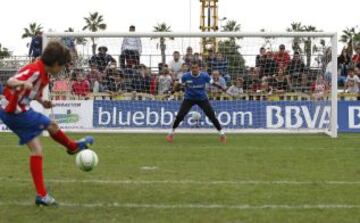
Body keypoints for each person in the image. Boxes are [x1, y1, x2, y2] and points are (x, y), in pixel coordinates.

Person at [0, 41, 94, 206]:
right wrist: (22, 83)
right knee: (51, 125)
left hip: (15, 110)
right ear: (56, 64)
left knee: (37, 149)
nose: (62, 69)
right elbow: (10, 82)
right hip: (15, 111)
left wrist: (42, 101)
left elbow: (32, 92)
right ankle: (72, 147)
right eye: (62, 66)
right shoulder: (35, 70)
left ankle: (42, 195)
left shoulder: (43, 73)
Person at [166, 60, 226, 143]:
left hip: (202, 99)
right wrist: (172, 92)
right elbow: (178, 85)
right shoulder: (185, 76)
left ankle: (222, 134)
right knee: (180, 116)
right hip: (189, 99)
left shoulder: (204, 76)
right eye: (193, 68)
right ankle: (170, 134)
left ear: (199, 68)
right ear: (191, 68)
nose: (194, 69)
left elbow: (213, 83)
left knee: (211, 116)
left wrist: (222, 88)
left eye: (196, 68)